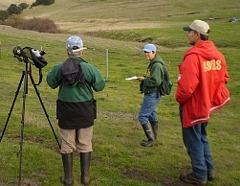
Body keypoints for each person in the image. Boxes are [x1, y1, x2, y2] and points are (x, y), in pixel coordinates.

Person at [176, 20, 230, 185]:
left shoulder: (194, 57)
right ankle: (209, 170)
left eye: (189, 31)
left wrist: (179, 98)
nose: (187, 34)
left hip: (193, 105)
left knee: (193, 140)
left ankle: (199, 174)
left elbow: (186, 87)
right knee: (202, 137)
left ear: (197, 35)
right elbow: (224, 78)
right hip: (207, 105)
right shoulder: (218, 55)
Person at [46, 35, 105, 185]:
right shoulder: (89, 68)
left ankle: (68, 178)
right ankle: (85, 178)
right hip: (85, 110)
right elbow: (100, 86)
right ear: (82, 52)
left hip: (66, 110)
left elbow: (51, 83)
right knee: (85, 143)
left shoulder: (59, 68)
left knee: (67, 144)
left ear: (67, 51)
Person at [136, 43, 164, 147]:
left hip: (152, 93)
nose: (146, 54)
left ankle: (151, 139)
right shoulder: (153, 63)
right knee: (152, 114)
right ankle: (153, 138)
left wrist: (145, 80)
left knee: (143, 116)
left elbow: (156, 81)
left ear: (154, 52)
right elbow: (152, 78)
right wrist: (144, 78)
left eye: (148, 52)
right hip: (152, 93)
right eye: (145, 52)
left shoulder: (156, 65)